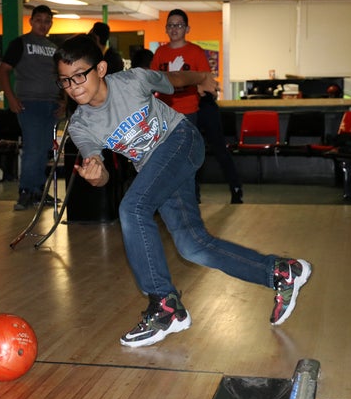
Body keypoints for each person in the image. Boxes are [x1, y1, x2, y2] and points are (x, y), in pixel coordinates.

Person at [54, 34, 312, 347]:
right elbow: (100, 170)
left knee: (132, 208)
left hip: (181, 141)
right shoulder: (81, 124)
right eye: (65, 80)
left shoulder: (133, 80)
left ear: (101, 68)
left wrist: (203, 77)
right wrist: (96, 175)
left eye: (79, 75)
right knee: (193, 245)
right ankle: (281, 272)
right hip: (158, 168)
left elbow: (174, 79)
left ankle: (166, 307)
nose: (73, 86)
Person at [151, 9, 243, 204]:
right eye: (170, 25)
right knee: (175, 157)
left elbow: (206, 82)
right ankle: (187, 196)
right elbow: (153, 81)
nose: (174, 29)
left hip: (193, 109)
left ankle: (235, 188)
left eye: (179, 25)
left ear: (187, 28)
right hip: (168, 113)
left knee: (214, 149)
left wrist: (197, 87)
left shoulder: (195, 52)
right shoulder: (161, 53)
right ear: (166, 29)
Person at [0, 5, 64, 211]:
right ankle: (25, 192)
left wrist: (63, 102)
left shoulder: (54, 48)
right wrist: (11, 98)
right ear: (31, 21)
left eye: (47, 21)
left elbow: (62, 77)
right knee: (33, 149)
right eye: (39, 20)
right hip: (30, 104)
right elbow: (3, 70)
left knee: (44, 149)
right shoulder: (20, 43)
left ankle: (38, 191)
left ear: (51, 23)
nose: (42, 24)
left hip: (51, 104)